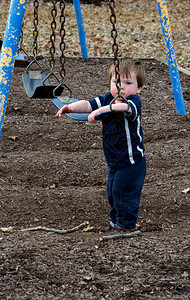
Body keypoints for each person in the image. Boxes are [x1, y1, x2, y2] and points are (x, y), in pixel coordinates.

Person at [57, 58, 147, 234]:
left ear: (138, 88)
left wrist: (99, 112)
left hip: (132, 163)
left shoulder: (134, 102)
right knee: (113, 194)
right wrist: (70, 108)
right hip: (114, 162)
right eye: (117, 82)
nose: (121, 87)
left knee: (124, 194)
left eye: (128, 83)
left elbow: (122, 108)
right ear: (110, 83)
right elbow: (88, 104)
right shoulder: (107, 99)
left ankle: (127, 226)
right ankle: (115, 223)